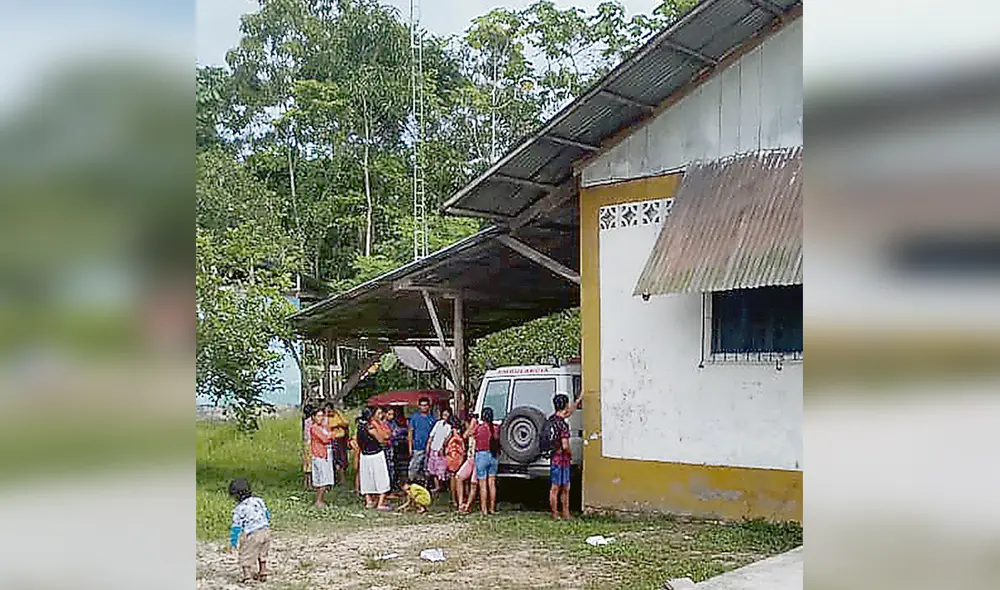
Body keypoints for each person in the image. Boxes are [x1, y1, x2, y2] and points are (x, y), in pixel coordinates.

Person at [228, 478, 271, 583]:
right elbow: (267, 514)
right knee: (262, 553)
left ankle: (247, 576)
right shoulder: (259, 500)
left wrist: (233, 542)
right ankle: (263, 571)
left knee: (245, 554)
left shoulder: (239, 509)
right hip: (265, 530)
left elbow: (236, 528)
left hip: (253, 534)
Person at [548, 393, 583, 520]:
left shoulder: (552, 420)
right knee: (565, 487)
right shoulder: (563, 425)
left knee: (555, 487)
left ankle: (555, 513)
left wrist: (579, 399)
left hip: (554, 458)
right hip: (562, 459)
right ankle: (566, 513)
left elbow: (569, 412)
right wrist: (570, 455)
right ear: (566, 405)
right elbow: (565, 446)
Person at [357, 408, 391, 510]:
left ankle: (369, 501)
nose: (380, 415)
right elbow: (381, 439)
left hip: (364, 455)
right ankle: (380, 503)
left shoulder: (360, 426)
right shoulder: (371, 427)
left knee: (366, 478)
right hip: (375, 454)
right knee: (381, 478)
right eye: (378, 413)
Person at [469, 407, 499, 515]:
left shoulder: (479, 428)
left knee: (483, 484)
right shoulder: (496, 428)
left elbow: (466, 434)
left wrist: (473, 422)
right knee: (492, 483)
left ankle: (484, 509)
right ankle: (492, 508)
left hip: (481, 455)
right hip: (493, 456)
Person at [308, 407, 336, 507]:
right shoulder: (314, 428)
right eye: (318, 416)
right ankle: (318, 500)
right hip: (319, 454)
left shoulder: (324, 427)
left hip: (327, 454)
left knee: (326, 477)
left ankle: (321, 499)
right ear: (314, 417)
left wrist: (331, 434)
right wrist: (330, 435)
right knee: (322, 477)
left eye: (322, 416)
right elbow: (325, 439)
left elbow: (333, 434)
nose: (321, 418)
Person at [407, 397, 436, 485]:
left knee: (427, 467)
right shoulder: (415, 418)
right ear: (419, 406)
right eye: (422, 405)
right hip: (417, 446)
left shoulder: (432, 419)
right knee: (414, 466)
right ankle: (411, 482)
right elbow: (410, 432)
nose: (424, 407)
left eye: (426, 405)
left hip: (429, 447)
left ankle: (426, 483)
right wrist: (410, 446)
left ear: (429, 406)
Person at [425, 406, 454, 493]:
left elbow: (446, 439)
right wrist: (428, 445)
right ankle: (437, 486)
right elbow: (432, 435)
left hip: (441, 450)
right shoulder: (438, 423)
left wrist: (442, 447)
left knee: (441, 469)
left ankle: (443, 486)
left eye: (446, 414)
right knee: (433, 469)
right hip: (433, 448)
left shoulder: (450, 426)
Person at [445, 415, 469, 509]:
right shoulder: (460, 431)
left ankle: (455, 499)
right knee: (461, 477)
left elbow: (445, 442)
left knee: (453, 477)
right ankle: (462, 497)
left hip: (451, 455)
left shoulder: (451, 431)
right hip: (459, 454)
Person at [385, 408, 407, 492]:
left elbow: (398, 431)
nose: (391, 416)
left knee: (394, 467)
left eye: (393, 414)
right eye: (389, 414)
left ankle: (393, 484)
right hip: (387, 448)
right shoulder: (384, 424)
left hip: (393, 447)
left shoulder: (393, 423)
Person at [327, 407, 350, 484]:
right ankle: (335, 478)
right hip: (333, 439)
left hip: (341, 439)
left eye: (331, 411)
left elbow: (345, 423)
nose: (330, 413)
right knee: (335, 459)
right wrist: (335, 425)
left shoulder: (338, 416)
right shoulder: (326, 418)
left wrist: (339, 414)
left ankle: (343, 478)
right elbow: (328, 427)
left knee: (342, 459)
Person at [301, 403, 315, 490]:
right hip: (311, 443)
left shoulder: (305, 421)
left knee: (306, 464)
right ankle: (310, 484)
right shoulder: (311, 422)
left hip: (306, 443)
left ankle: (306, 483)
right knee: (310, 465)